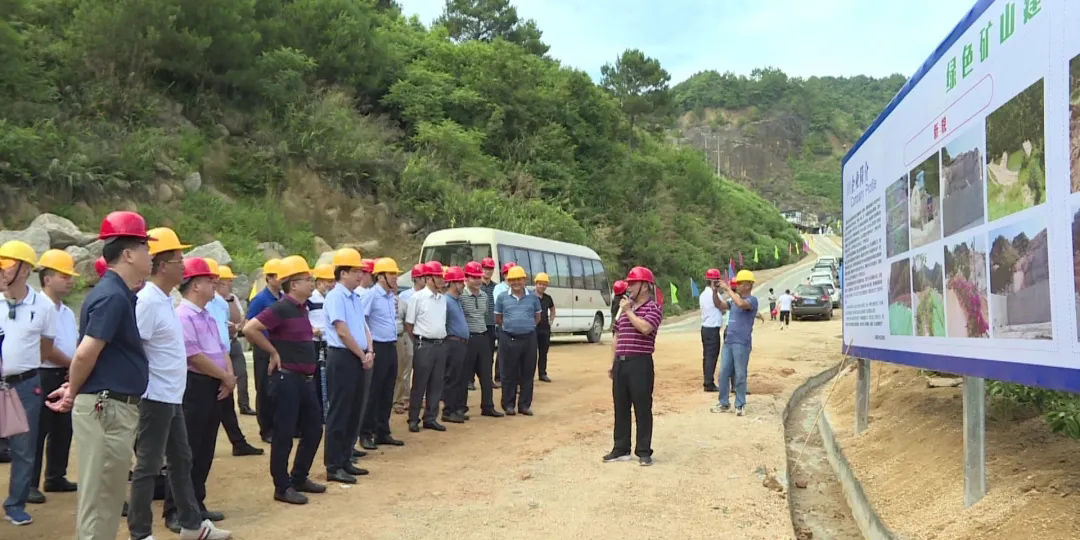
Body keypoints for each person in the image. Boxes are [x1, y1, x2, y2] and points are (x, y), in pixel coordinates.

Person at [44, 211, 153, 540]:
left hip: (109, 406)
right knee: (102, 498)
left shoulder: (114, 293)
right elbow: (85, 353)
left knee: (105, 497)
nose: (150, 256)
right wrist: (73, 391)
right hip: (107, 408)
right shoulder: (112, 296)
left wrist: (76, 387)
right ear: (129, 254)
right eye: (146, 248)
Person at [129, 230, 231, 540]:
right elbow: (136, 348)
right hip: (154, 396)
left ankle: (191, 525)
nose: (183, 265)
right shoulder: (146, 301)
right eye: (178, 259)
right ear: (162, 266)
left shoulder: (163, 299)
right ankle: (140, 532)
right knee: (148, 466)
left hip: (172, 395)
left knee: (181, 459)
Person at [242, 256, 326, 505]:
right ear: (293, 284)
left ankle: (299, 476)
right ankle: (282, 486)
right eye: (307, 279)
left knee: (313, 429)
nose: (312, 283)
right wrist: (274, 352)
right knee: (284, 434)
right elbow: (249, 329)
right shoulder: (281, 307)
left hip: (306, 379)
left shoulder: (302, 308)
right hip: (287, 379)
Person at [163, 257, 237, 534]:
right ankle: (174, 510)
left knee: (206, 448)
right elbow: (193, 355)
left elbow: (221, 348)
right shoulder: (182, 315)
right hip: (195, 384)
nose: (213, 284)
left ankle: (197, 503)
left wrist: (228, 377)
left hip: (216, 384)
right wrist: (225, 376)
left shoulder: (208, 314)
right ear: (194, 285)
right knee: (186, 451)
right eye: (208, 280)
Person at [0, 241, 56, 526]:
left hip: (25, 385)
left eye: (7, 263)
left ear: (23, 270)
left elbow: (45, 348)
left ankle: (16, 504)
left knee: (24, 446)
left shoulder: (44, 306)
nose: (2, 267)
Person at [29, 250, 80, 505]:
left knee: (63, 428)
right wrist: (74, 363)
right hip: (44, 373)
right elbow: (44, 348)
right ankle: (29, 483)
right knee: (38, 430)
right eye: (64, 276)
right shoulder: (38, 307)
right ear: (47, 279)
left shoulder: (67, 312)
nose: (70, 281)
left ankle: (55, 475)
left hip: (65, 373)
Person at [319, 248, 372, 485]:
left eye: (360, 271)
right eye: (355, 271)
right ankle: (333, 465)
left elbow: (363, 327)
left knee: (354, 409)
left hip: (358, 356)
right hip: (342, 357)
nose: (360, 275)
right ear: (342, 273)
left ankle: (346, 457)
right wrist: (362, 354)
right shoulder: (336, 296)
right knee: (340, 410)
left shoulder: (355, 297)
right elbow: (342, 331)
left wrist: (369, 350)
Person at [603, 266, 663, 467]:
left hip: (641, 362)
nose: (629, 287)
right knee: (620, 406)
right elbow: (616, 336)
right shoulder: (623, 309)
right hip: (622, 362)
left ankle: (644, 451)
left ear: (645, 286)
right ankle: (620, 448)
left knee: (642, 407)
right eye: (629, 283)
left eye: (634, 283)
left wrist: (629, 312)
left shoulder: (653, 308)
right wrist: (613, 361)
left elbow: (646, 328)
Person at [203, 260, 261, 457]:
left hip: (225, 352)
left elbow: (223, 327)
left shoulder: (220, 302)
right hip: (207, 361)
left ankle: (238, 442)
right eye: (213, 280)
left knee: (226, 402)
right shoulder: (196, 307)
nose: (218, 284)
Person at [359, 258, 405, 449]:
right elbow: (361, 320)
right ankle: (366, 433)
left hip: (390, 345)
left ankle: (382, 431)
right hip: (377, 345)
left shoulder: (390, 297)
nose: (395, 278)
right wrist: (368, 347)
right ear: (381, 276)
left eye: (395, 274)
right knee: (373, 391)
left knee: (388, 390)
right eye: (392, 274)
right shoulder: (371, 296)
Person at [712, 270, 765, 416]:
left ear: (748, 285)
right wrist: (714, 291)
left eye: (740, 284)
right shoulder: (733, 300)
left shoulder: (751, 301)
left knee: (740, 374)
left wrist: (728, 288)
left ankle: (740, 404)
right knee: (723, 373)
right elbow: (719, 305)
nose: (738, 286)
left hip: (741, 343)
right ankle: (723, 403)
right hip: (729, 341)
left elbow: (741, 304)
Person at [404, 261, 448, 433]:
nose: (442, 280)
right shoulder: (417, 298)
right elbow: (409, 324)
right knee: (420, 383)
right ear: (429, 278)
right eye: (438, 277)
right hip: (424, 343)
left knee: (437, 383)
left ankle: (430, 417)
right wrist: (418, 342)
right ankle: (413, 418)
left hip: (439, 344)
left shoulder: (442, 299)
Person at [494, 266, 541, 416]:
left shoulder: (533, 298)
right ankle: (508, 405)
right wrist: (511, 327)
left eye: (518, 280)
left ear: (524, 280)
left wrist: (525, 326)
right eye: (512, 280)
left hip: (529, 339)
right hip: (509, 338)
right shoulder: (502, 297)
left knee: (527, 373)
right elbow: (498, 318)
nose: (515, 283)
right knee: (508, 373)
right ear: (507, 281)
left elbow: (537, 317)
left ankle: (524, 405)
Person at [247, 259, 282, 443]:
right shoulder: (260, 300)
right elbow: (249, 327)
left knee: (278, 388)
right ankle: (266, 429)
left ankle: (278, 425)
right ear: (268, 278)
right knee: (264, 388)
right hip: (263, 349)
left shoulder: (282, 298)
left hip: (279, 347)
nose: (281, 279)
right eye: (277, 275)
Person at [460, 262, 501, 418]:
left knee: (486, 374)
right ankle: (461, 407)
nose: (477, 281)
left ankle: (488, 406)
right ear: (466, 278)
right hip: (468, 338)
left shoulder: (484, 296)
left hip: (483, 336)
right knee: (464, 375)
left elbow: (483, 315)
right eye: (473, 277)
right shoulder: (462, 296)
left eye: (478, 277)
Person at [394, 264, 425, 415]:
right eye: (422, 277)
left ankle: (420, 396)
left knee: (420, 366)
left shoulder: (429, 294)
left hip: (424, 334)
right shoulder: (405, 295)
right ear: (416, 278)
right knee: (406, 368)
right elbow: (405, 318)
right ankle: (405, 397)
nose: (425, 279)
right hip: (408, 333)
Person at [441, 266, 470, 424]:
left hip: (461, 343)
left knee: (459, 378)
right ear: (452, 283)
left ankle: (455, 408)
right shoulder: (447, 300)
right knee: (452, 378)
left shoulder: (457, 300)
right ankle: (448, 410)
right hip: (452, 343)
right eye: (460, 282)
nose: (463, 285)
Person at [308, 264, 334, 419]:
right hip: (314, 342)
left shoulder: (331, 298)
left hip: (327, 341)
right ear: (319, 283)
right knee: (316, 377)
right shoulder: (311, 299)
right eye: (328, 281)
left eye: (332, 281)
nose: (331, 284)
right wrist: (312, 330)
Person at [697, 268, 723, 393]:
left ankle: (707, 380)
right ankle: (709, 383)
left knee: (707, 356)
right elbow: (721, 307)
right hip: (712, 329)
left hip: (706, 328)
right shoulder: (714, 294)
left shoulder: (703, 294)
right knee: (712, 356)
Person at [478, 257, 499, 388]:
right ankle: (469, 380)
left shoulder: (495, 287)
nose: (487, 271)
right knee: (473, 355)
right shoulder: (475, 285)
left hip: (491, 324)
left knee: (489, 355)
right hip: (477, 325)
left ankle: (488, 380)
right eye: (485, 268)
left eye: (490, 269)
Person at [532, 273, 555, 383]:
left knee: (543, 352)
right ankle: (529, 374)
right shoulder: (530, 297)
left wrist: (551, 320)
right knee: (531, 353)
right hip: (533, 329)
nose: (542, 286)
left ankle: (542, 373)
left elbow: (553, 309)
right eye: (540, 284)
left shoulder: (548, 298)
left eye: (544, 284)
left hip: (545, 328)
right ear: (536, 284)